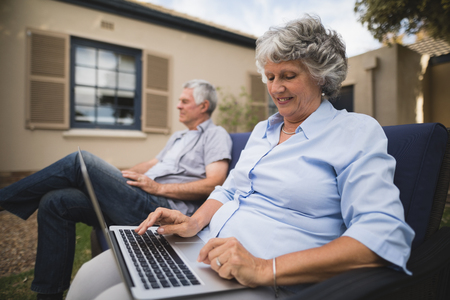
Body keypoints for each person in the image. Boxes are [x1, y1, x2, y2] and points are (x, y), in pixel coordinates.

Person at [67, 15, 415, 300]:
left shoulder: (354, 131)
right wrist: (193, 223)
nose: (275, 88)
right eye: (270, 77)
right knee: (86, 280)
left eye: (288, 76)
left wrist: (266, 267)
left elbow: (382, 238)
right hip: (204, 249)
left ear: (321, 76)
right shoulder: (264, 129)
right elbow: (229, 190)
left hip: (261, 278)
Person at [0, 79, 233, 300]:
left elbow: (214, 182)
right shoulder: (178, 137)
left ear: (203, 106)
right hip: (135, 198)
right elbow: (150, 165)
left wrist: (158, 187)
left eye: (184, 101)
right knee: (55, 201)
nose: (177, 105)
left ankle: (4, 200)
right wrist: (112, 181)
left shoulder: (216, 135)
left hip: (159, 210)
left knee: (79, 161)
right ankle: (48, 295)